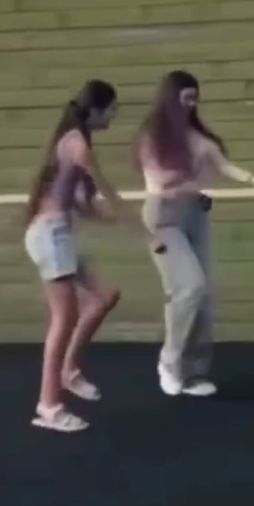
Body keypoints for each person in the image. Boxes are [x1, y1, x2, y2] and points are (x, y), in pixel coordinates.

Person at [136, 70, 254, 397]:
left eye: (195, 99)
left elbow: (222, 164)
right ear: (171, 99)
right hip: (163, 219)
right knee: (189, 286)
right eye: (185, 98)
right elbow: (161, 180)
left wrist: (252, 178)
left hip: (195, 216)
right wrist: (194, 181)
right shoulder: (152, 138)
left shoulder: (197, 137)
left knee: (206, 294)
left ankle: (193, 373)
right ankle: (170, 359)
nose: (191, 105)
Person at [24, 80, 146, 432]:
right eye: (111, 110)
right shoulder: (77, 144)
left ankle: (68, 371)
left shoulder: (75, 142)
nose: (113, 116)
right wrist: (141, 228)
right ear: (94, 110)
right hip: (50, 237)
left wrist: (115, 219)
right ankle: (49, 406)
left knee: (104, 297)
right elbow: (109, 191)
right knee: (64, 319)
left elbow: (82, 204)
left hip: (57, 235)